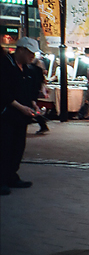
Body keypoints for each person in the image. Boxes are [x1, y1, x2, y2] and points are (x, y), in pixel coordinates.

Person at [0, 37, 40, 196]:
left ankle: (12, 176)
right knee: (5, 147)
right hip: (6, 114)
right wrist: (19, 106)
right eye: (29, 53)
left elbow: (29, 90)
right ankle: (2, 179)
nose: (32, 57)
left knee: (18, 146)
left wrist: (32, 103)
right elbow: (4, 92)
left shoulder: (27, 70)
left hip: (21, 115)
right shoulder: (5, 65)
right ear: (20, 50)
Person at [27, 58, 49, 135]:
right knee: (33, 106)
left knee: (32, 107)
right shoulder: (38, 70)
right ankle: (42, 124)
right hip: (35, 90)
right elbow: (42, 81)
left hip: (30, 91)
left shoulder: (29, 68)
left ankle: (42, 124)